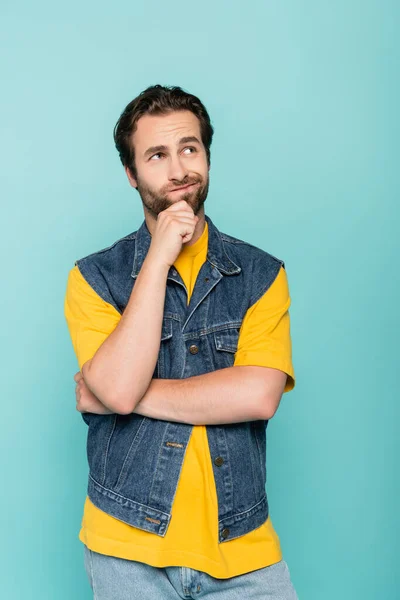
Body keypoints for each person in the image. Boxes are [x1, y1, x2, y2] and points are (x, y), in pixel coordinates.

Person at [64, 84, 298, 599]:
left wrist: (113, 396)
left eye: (189, 148)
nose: (178, 169)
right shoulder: (94, 279)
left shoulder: (261, 275)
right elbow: (119, 391)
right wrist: (159, 256)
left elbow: (258, 396)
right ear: (131, 174)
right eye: (157, 155)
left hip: (241, 542)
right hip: (126, 543)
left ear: (207, 157)